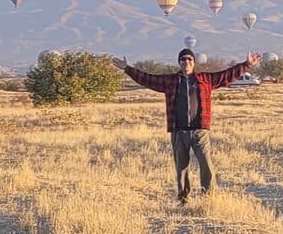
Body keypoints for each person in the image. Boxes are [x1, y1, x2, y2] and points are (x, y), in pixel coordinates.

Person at [112, 50, 262, 203]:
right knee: (181, 168)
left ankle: (208, 197)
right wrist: (127, 69)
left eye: (189, 59)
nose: (186, 62)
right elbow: (148, 79)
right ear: (179, 62)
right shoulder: (170, 81)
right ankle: (183, 199)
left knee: (206, 163)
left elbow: (227, 75)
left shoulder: (205, 79)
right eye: (182, 59)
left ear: (194, 62)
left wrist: (247, 64)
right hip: (179, 131)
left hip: (200, 131)